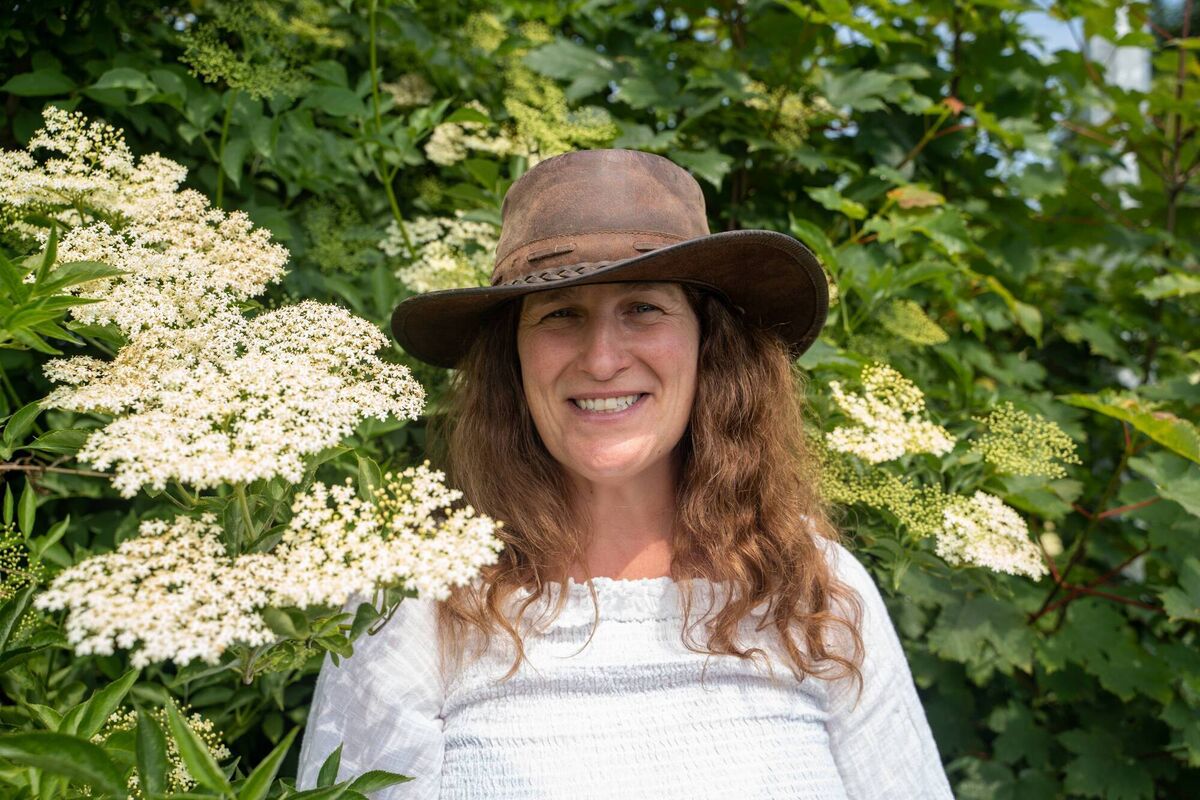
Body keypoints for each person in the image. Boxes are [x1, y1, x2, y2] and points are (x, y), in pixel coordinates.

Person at [295, 149, 954, 799]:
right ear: (512, 361)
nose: (603, 359)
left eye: (642, 307)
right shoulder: (419, 606)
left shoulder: (817, 593)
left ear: (709, 344)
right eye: (560, 314)